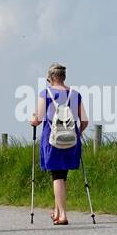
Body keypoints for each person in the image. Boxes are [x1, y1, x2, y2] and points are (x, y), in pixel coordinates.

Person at [31, 63, 89, 225]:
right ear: (64, 77)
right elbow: (84, 120)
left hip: (53, 139)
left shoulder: (46, 93)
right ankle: (57, 211)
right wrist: (77, 133)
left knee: (56, 176)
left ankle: (63, 215)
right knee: (63, 176)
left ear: (50, 78)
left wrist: (33, 120)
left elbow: (38, 118)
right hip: (71, 139)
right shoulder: (75, 94)